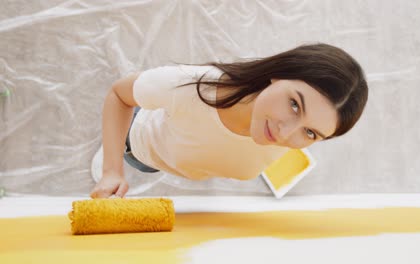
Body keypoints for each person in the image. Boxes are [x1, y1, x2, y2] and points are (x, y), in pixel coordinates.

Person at [90, 43, 368, 199]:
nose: (286, 133)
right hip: (137, 143)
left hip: (179, 153)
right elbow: (119, 94)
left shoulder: (287, 138)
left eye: (311, 133)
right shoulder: (190, 87)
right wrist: (111, 171)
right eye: (294, 104)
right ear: (280, 74)